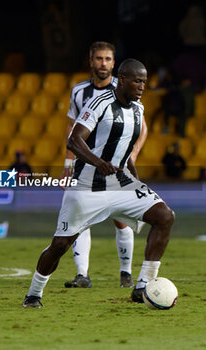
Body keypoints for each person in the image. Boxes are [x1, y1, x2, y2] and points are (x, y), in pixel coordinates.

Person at [23, 58, 175, 308]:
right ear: (122, 79)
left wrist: (136, 181)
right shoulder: (99, 103)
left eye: (145, 82)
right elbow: (73, 140)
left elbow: (125, 152)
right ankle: (33, 294)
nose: (142, 86)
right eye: (137, 81)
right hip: (86, 186)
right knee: (60, 244)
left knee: (165, 216)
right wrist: (99, 162)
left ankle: (142, 286)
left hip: (122, 184)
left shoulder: (139, 109)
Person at [61, 41, 148, 289]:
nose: (103, 63)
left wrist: (131, 156)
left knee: (121, 219)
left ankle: (125, 273)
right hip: (86, 166)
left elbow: (142, 127)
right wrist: (68, 161)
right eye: (98, 58)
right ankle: (82, 275)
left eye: (108, 59)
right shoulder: (79, 92)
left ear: (114, 64)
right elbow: (72, 127)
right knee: (81, 218)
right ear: (91, 61)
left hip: (116, 167)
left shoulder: (125, 89)